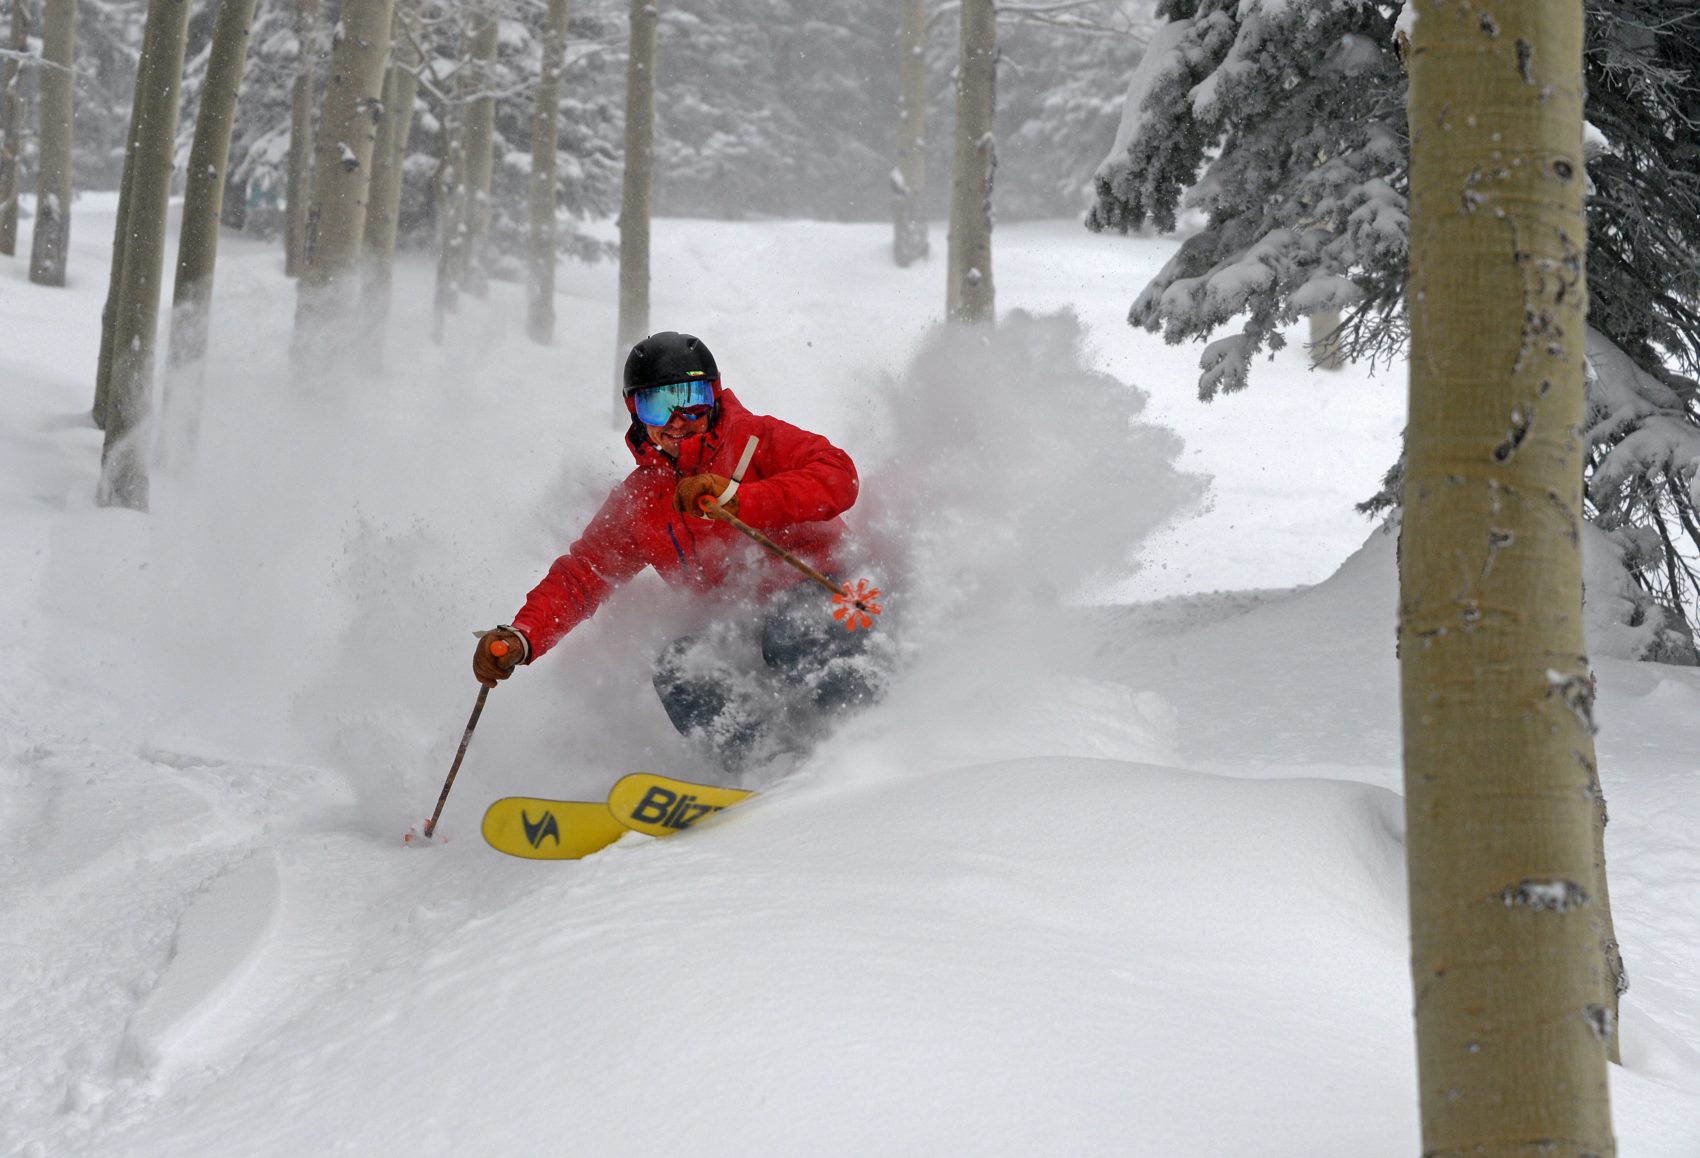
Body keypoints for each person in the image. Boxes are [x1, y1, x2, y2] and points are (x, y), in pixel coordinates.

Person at [473, 331, 883, 772]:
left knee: (788, 630)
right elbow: (584, 573)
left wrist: (740, 498)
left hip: (833, 595)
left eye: (690, 398)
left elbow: (839, 476)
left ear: (714, 395)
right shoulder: (643, 501)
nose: (677, 419)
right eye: (657, 405)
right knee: (680, 669)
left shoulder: (755, 440)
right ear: (635, 413)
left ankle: (861, 748)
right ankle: (765, 770)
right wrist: (523, 635)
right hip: (741, 624)